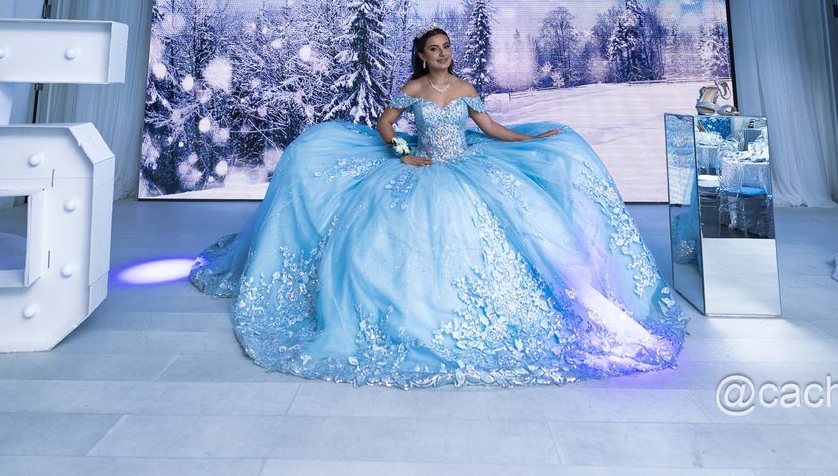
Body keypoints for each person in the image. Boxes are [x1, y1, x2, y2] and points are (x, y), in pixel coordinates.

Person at [190, 24, 686, 387]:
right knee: (384, 235)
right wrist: (403, 152)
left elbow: (490, 129)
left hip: (466, 167)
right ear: (422, 56)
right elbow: (385, 125)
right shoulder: (413, 90)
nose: (443, 54)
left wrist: (529, 140)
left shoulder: (467, 90)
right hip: (423, 167)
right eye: (435, 49)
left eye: (447, 47)